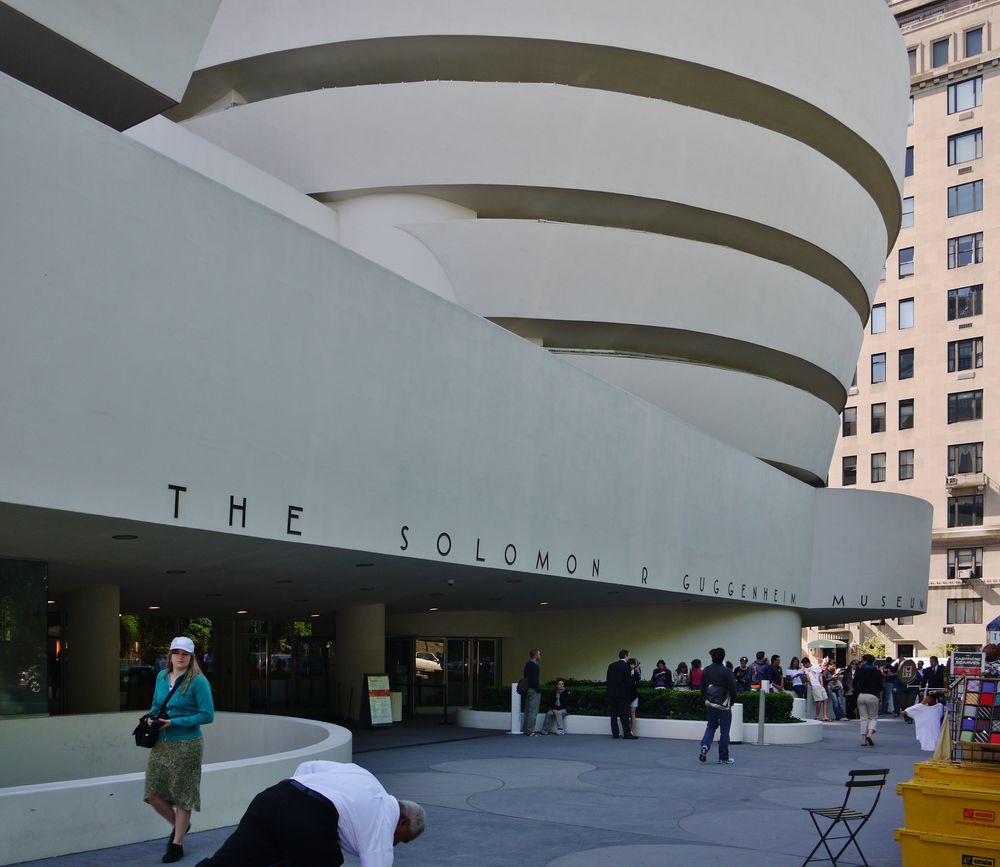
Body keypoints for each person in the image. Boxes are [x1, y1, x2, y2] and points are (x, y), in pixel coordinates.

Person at [195, 761, 425, 866]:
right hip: (310, 816)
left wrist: (293, 803)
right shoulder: (385, 819)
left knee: (230, 861)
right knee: (329, 859)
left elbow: (308, 767)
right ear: (403, 821)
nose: (395, 844)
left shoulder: (362, 774)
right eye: (402, 839)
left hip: (275, 797)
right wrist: (300, 814)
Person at [145, 636, 215, 864]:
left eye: (185, 653)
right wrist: (151, 719)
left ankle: (176, 844)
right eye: (176, 652)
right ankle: (180, 827)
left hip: (188, 744)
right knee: (153, 793)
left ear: (191, 656)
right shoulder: (162, 677)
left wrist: (174, 722)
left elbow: (207, 715)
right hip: (162, 743)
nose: (180, 656)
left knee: (184, 795)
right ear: (170, 655)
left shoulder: (198, 681)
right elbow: (156, 706)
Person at [698, 647, 738, 765]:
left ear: (712, 657)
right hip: (724, 704)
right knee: (724, 731)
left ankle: (705, 745)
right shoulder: (727, 671)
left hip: (710, 703)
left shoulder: (706, 670)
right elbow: (733, 689)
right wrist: (731, 702)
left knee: (710, 726)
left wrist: (706, 700)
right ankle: (723, 757)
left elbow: (702, 688)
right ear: (723, 657)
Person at [853, 654, 885, 747]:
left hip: (861, 695)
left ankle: (863, 740)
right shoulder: (877, 672)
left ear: (864, 661)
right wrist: (881, 699)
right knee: (873, 717)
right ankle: (869, 734)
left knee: (863, 718)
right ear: (873, 661)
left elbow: (854, 684)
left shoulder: (859, 671)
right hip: (873, 696)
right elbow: (880, 687)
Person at [606, 649, 636, 739]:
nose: (629, 657)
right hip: (622, 695)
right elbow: (628, 682)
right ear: (626, 656)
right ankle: (626, 733)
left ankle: (615, 734)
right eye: (629, 655)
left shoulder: (611, 666)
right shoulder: (626, 667)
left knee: (613, 714)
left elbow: (608, 680)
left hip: (612, 694)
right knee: (624, 715)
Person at [521, 649, 542, 736]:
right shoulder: (535, 666)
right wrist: (538, 689)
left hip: (527, 689)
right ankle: (530, 730)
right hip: (533, 690)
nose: (540, 656)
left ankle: (526, 729)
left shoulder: (527, 664)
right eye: (539, 654)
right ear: (536, 655)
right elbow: (534, 680)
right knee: (533, 711)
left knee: (527, 710)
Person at [802, 657, 828, 721]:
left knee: (825, 699)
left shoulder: (816, 666)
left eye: (804, 664)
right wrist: (810, 684)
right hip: (814, 686)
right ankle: (817, 716)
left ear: (807, 663)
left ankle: (825, 716)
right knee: (818, 701)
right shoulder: (806, 670)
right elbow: (808, 678)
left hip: (820, 685)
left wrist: (821, 684)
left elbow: (820, 675)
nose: (804, 666)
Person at [628, 658, 642, 735]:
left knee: (632, 713)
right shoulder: (626, 672)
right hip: (627, 695)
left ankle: (631, 730)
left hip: (633, 695)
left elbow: (638, 678)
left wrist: (636, 668)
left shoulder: (636, 672)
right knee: (627, 713)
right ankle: (627, 730)